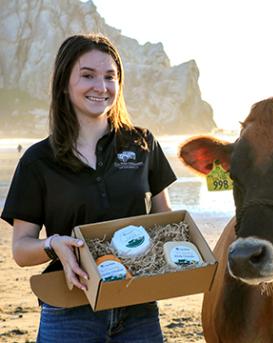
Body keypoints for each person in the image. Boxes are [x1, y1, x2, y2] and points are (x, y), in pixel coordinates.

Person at [1, 33, 176, 342]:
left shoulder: (142, 144)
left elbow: (166, 222)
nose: (101, 86)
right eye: (87, 75)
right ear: (64, 82)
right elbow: (21, 250)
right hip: (69, 310)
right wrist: (53, 243)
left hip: (138, 308)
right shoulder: (37, 160)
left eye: (110, 76)